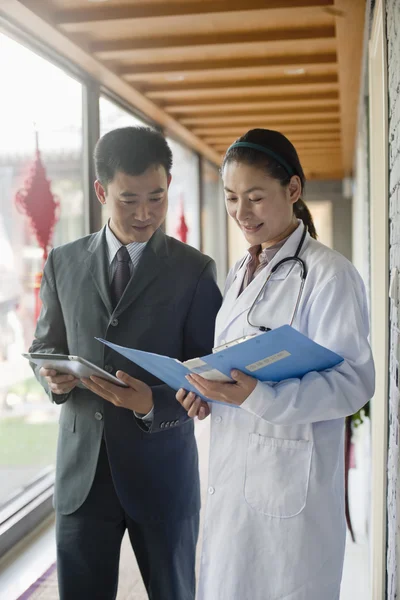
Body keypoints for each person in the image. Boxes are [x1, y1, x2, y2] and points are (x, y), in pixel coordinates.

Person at [176, 128, 375, 600]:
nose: (241, 213)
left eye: (255, 197)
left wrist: (257, 395)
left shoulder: (329, 275)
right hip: (234, 478)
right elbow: (232, 366)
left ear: (293, 190)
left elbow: (353, 382)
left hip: (290, 485)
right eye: (230, 198)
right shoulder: (240, 270)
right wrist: (205, 394)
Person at [29, 126, 222, 600]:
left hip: (162, 475)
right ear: (100, 191)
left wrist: (151, 404)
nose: (144, 214)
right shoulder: (62, 263)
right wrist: (51, 378)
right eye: (128, 199)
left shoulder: (194, 270)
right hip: (82, 477)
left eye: (156, 198)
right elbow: (44, 346)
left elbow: (211, 376)